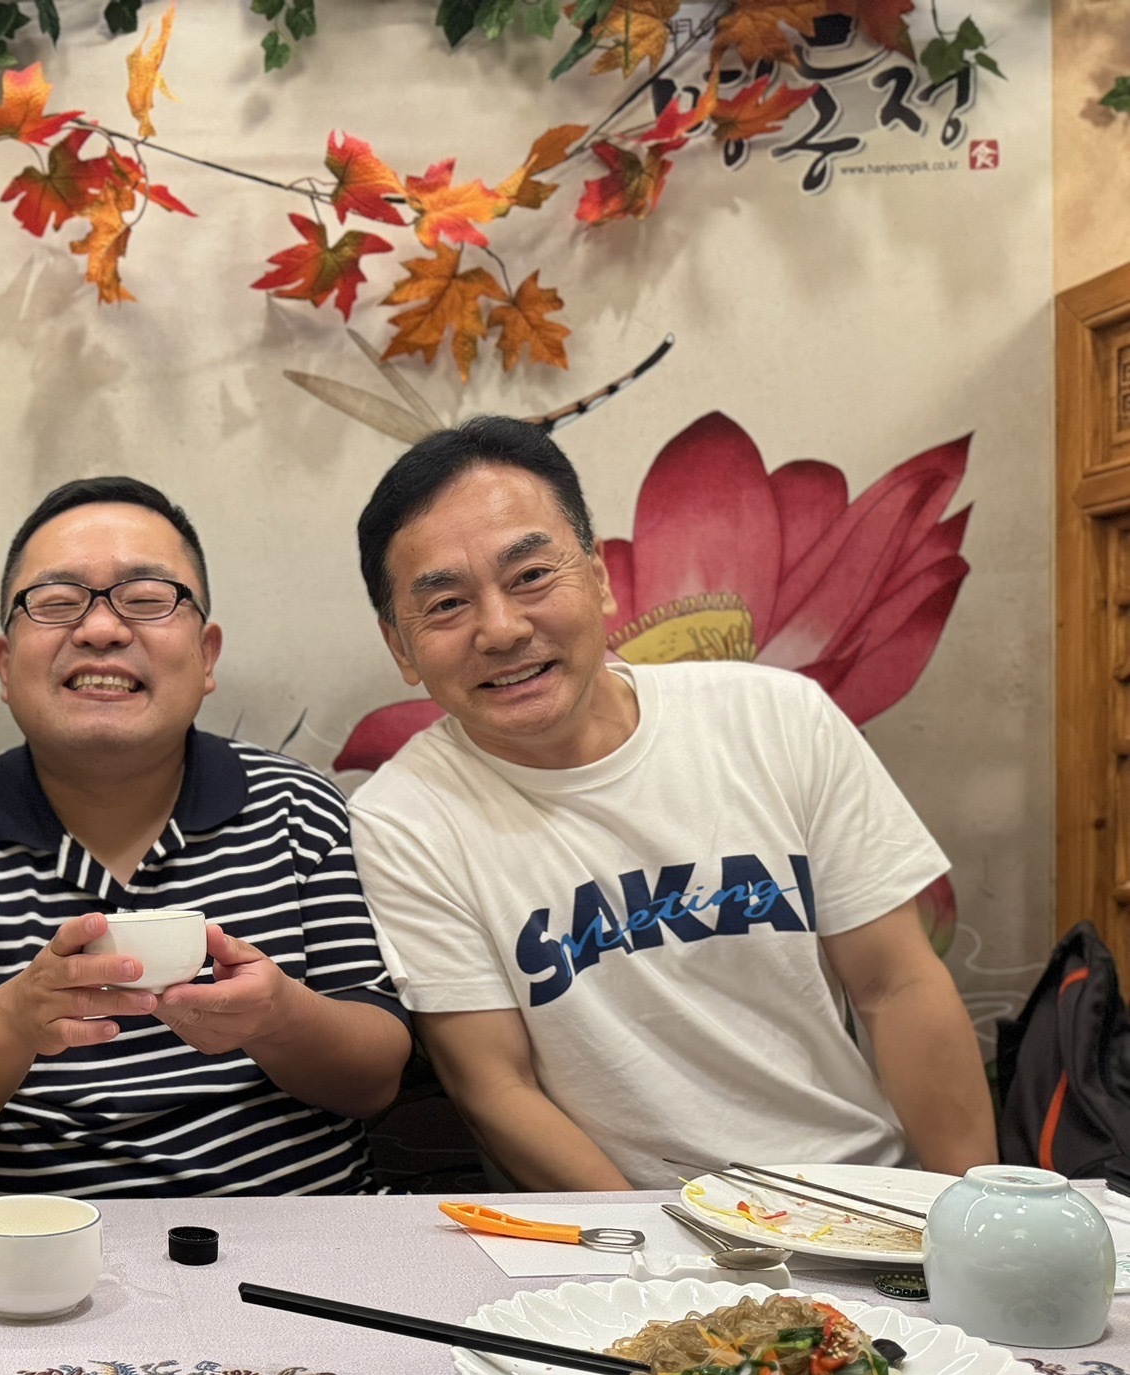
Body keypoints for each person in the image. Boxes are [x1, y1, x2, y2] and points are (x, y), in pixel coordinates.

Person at [344, 416, 995, 1191]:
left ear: (599, 578)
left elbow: (897, 986)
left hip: (858, 1192)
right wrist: (653, 1247)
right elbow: (495, 1085)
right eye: (447, 604)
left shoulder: (779, 718)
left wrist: (977, 1217)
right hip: (633, 1228)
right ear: (400, 646)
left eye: (531, 576)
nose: (502, 629)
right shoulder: (404, 820)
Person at [0, 476, 412, 1199]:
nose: (102, 630)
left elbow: (374, 1080)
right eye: (57, 602)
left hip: (306, 1239)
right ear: (5, 666)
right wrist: (16, 1019)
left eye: (146, 599)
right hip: (33, 1252)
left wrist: (278, 1017)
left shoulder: (299, 809)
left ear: (206, 656)